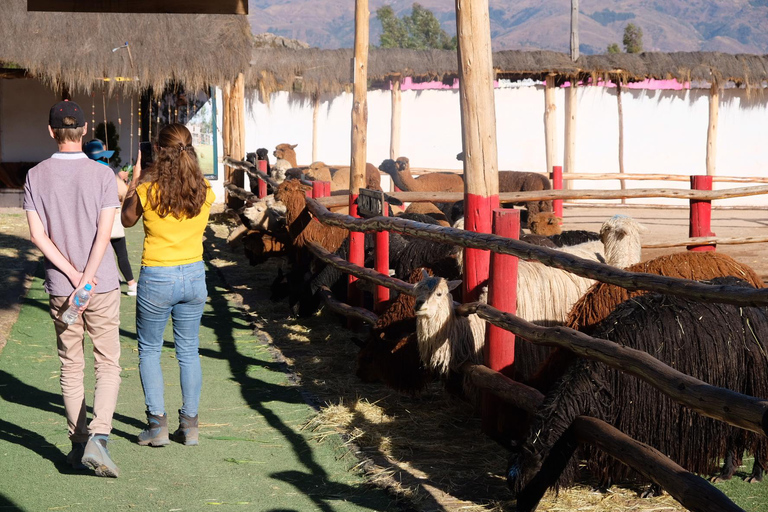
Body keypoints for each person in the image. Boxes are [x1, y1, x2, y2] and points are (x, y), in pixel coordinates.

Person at [23, 100, 121, 477]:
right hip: (101, 284)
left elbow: (38, 235)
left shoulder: (35, 175)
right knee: (106, 361)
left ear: (51, 131)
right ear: (84, 130)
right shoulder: (102, 174)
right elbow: (104, 234)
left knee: (70, 363)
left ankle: (78, 443)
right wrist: (88, 277)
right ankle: (100, 437)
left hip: (61, 287)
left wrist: (72, 274)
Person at [122, 123, 215, 447]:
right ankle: (190, 426)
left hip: (158, 276)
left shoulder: (148, 189)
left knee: (149, 350)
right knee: (188, 351)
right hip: (194, 274)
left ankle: (157, 425)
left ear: (159, 150)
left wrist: (136, 180)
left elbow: (126, 220)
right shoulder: (205, 189)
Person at [84, 139, 137, 296]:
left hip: (91, 219)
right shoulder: (108, 171)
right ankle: (132, 284)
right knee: (121, 254)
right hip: (111, 219)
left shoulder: (84, 172)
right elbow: (123, 192)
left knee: (94, 253)